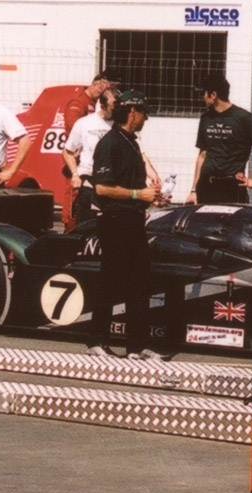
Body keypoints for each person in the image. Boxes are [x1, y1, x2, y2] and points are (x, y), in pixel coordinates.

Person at [87, 89, 167, 360]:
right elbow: (102, 188)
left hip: (134, 220)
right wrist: (137, 195)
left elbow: (135, 187)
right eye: (144, 112)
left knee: (139, 283)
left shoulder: (131, 142)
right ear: (132, 112)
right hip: (115, 221)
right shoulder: (110, 143)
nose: (146, 118)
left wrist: (151, 196)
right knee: (110, 281)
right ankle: (97, 340)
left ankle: (137, 345)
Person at [186, 74, 252, 205]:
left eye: (204, 93)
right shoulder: (206, 118)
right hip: (206, 187)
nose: (202, 98)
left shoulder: (243, 118)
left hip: (231, 190)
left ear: (213, 95)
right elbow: (202, 155)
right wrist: (194, 190)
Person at [62, 87, 119, 225]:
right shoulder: (85, 123)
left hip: (114, 183)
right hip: (89, 180)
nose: (117, 111)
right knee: (85, 226)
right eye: (113, 107)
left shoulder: (121, 125)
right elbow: (68, 151)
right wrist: (75, 174)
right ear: (103, 105)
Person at [63, 70, 119, 137]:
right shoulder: (78, 102)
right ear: (95, 84)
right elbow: (76, 127)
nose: (103, 93)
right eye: (101, 89)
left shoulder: (97, 102)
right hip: (79, 144)